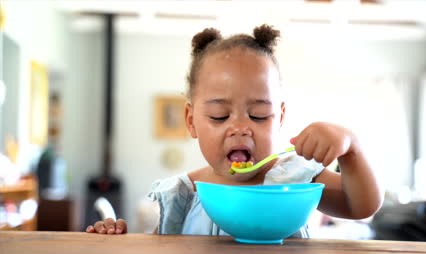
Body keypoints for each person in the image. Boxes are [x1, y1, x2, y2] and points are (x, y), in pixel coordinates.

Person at [86, 24, 383, 236]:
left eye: (258, 114)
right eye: (219, 116)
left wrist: (352, 148)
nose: (240, 128)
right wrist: (116, 237)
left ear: (279, 118)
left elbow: (362, 206)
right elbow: (157, 251)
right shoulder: (185, 194)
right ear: (191, 120)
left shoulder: (295, 178)